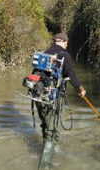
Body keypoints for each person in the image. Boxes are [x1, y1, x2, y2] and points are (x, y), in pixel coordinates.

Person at [36, 33, 86, 168]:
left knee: (45, 124)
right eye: (67, 43)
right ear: (64, 42)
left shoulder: (44, 53)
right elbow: (71, 74)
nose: (67, 45)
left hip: (37, 95)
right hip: (52, 97)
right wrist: (80, 89)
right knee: (53, 127)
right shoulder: (65, 55)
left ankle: (46, 149)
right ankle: (46, 162)